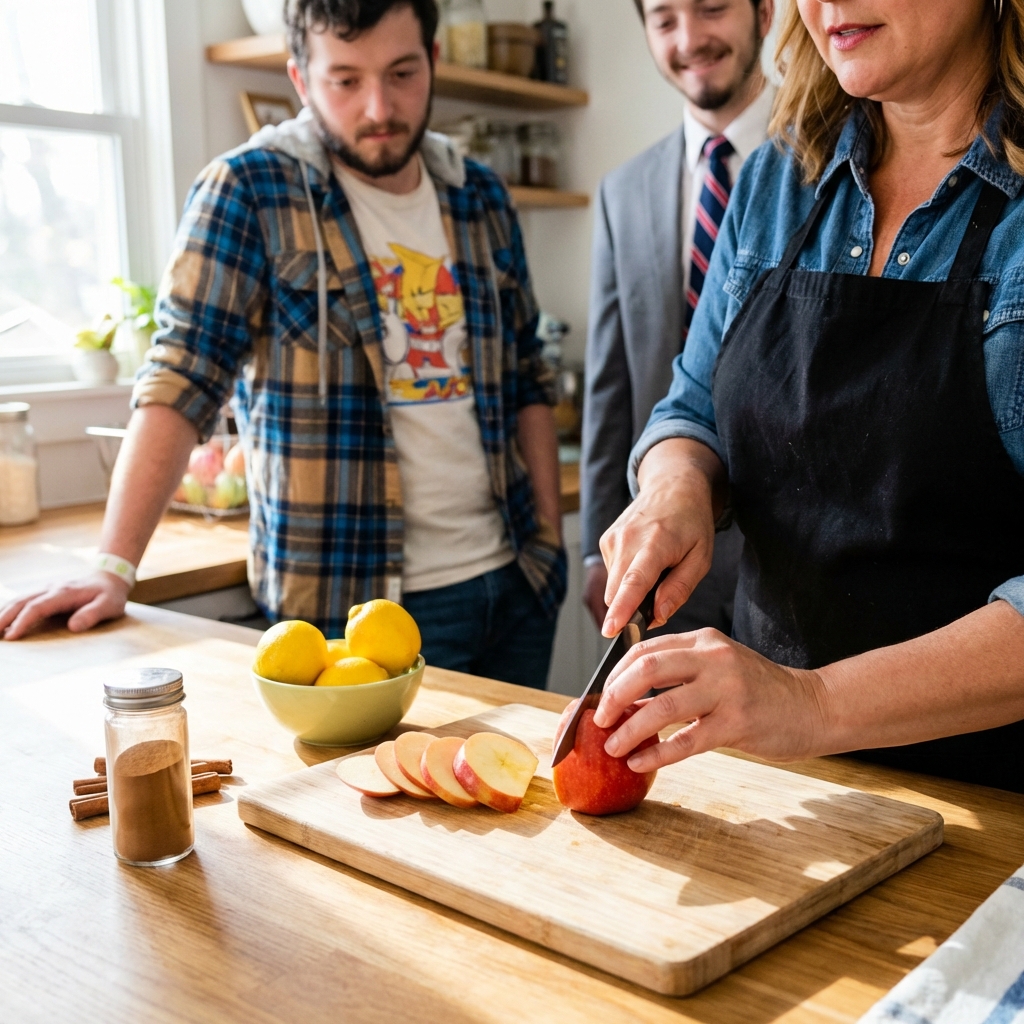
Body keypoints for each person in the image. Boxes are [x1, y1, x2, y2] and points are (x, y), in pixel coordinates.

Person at [0, 0, 566, 689]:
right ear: (300, 79)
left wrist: (548, 542)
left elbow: (529, 375)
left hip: (511, 583)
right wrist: (114, 566)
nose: (379, 106)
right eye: (345, 80)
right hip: (348, 609)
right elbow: (181, 378)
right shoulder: (249, 190)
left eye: (402, 72)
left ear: (435, 60)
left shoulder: (479, 195)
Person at [592, 0, 1024, 791]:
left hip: (988, 807)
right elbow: (693, 406)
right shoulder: (776, 180)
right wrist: (677, 484)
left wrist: (811, 701)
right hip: (777, 785)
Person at [581, 0, 774, 634]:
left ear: (766, 12)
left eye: (712, 8)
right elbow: (611, 387)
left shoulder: (833, 164)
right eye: (664, 19)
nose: (690, 38)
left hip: (788, 555)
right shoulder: (623, 190)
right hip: (658, 556)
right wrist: (594, 544)